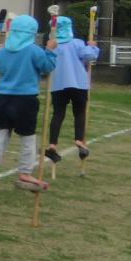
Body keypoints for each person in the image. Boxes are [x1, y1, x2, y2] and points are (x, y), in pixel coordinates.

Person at [0, 14, 59, 193]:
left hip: (3, 98)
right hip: (26, 99)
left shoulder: (4, 50)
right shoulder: (34, 50)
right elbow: (47, 67)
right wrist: (51, 51)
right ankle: (25, 172)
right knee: (27, 137)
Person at [46, 15, 100, 165]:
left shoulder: (52, 44)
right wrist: (92, 46)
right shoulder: (76, 43)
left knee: (58, 114)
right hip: (78, 83)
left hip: (58, 84)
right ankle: (79, 140)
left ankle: (52, 144)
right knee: (79, 112)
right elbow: (89, 55)